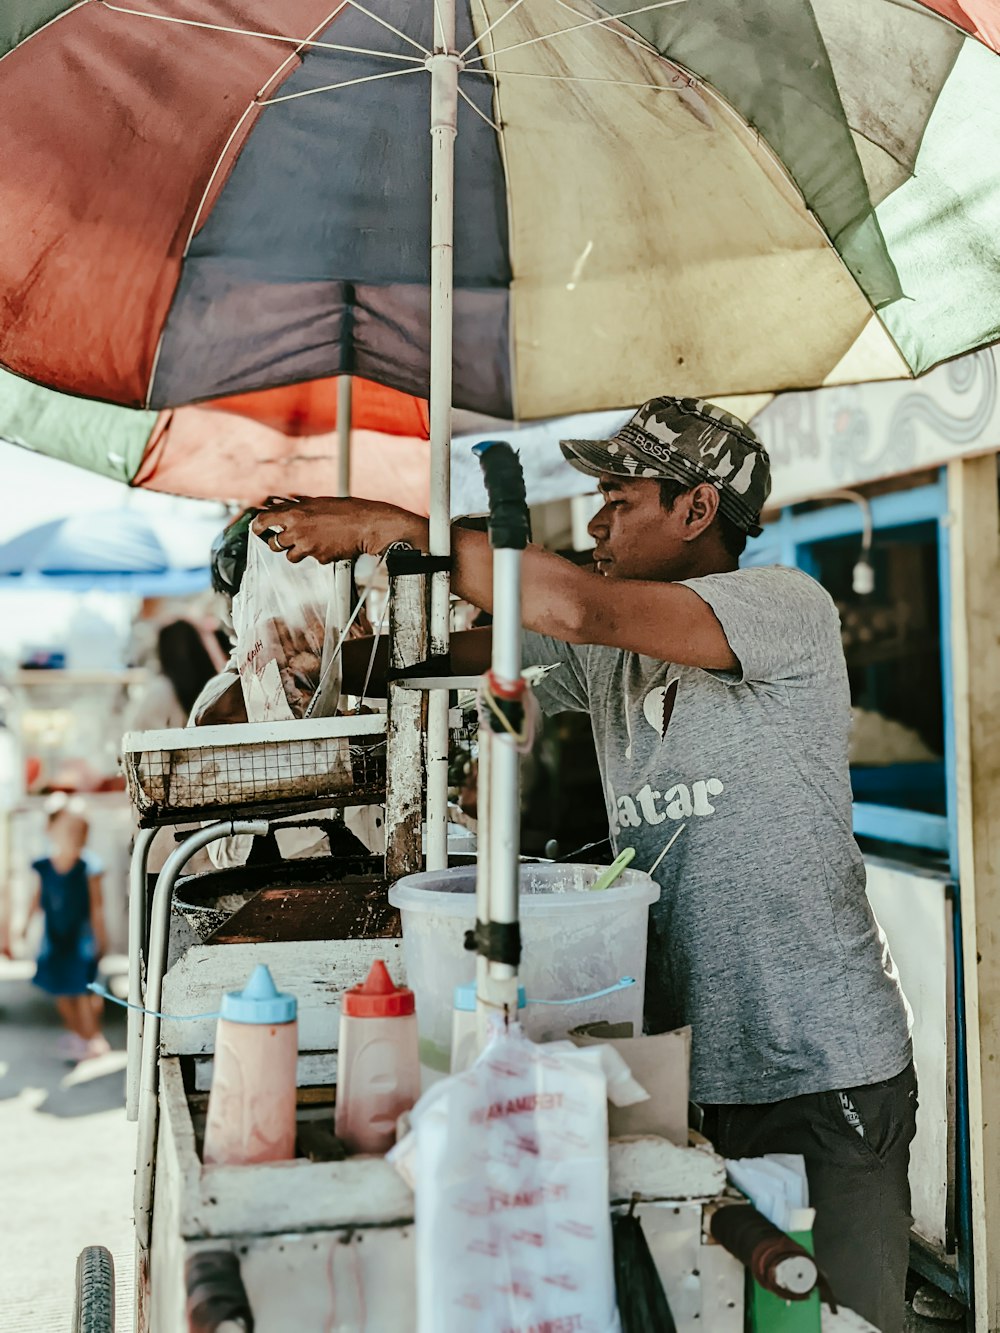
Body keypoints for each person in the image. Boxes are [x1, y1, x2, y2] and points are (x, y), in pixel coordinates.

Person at [253, 395, 916, 1333]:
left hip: (820, 1064)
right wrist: (327, 655)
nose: (598, 519)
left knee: (841, 1317)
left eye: (619, 496)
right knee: (722, 1309)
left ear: (696, 510)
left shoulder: (783, 607)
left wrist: (397, 526)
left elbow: (572, 603)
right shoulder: (607, 659)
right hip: (692, 1063)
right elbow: (451, 655)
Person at [24, 797, 110, 1061]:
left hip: (80, 940)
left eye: (80, 830)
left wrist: (101, 936)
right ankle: (77, 1034)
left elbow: (97, 907)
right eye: (68, 829)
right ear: (50, 831)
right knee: (60, 990)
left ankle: (93, 1036)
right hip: (55, 940)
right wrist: (23, 927)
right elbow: (37, 899)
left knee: (83, 989)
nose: (75, 836)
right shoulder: (45, 867)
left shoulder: (88, 868)